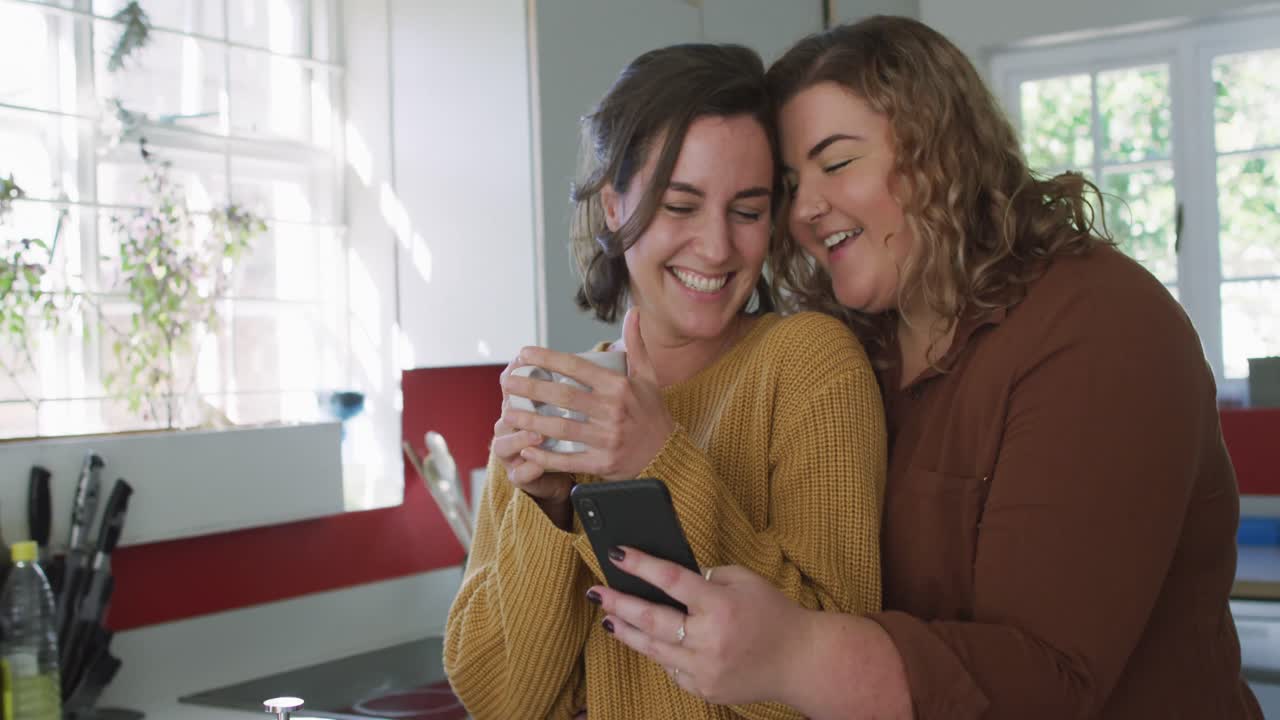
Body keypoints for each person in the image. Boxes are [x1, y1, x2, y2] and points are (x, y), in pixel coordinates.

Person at [585, 16, 1264, 720]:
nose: (807, 209)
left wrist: (797, 656)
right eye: (791, 182)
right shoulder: (861, 348)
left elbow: (1049, 683)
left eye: (837, 161)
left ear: (941, 151)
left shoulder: (1101, 325)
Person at [442, 43, 886, 720]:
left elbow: (833, 693)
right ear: (616, 205)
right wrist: (551, 513)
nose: (715, 248)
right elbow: (501, 702)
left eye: (747, 210)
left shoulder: (810, 364)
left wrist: (659, 460)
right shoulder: (558, 399)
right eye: (680, 206)